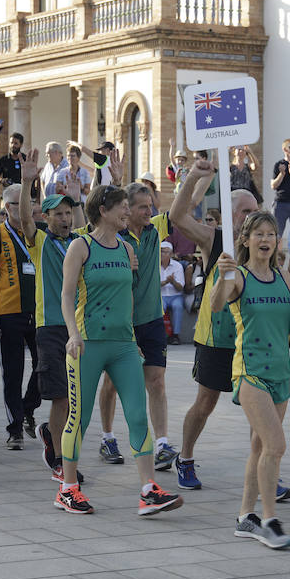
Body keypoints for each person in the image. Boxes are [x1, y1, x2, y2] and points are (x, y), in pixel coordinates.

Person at [58, 183, 183, 515]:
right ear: (103, 210)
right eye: (123, 206)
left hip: (124, 345)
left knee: (138, 415)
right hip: (87, 345)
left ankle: (148, 490)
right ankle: (68, 489)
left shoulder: (128, 250)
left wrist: (132, 340)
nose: (128, 211)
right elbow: (67, 296)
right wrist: (73, 335)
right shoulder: (80, 248)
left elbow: (127, 298)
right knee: (79, 419)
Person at [210, 211, 290, 549]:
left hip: (280, 374)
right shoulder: (238, 277)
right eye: (258, 234)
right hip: (250, 373)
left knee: (260, 446)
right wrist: (221, 277)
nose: (265, 240)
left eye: (271, 234)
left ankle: (246, 516)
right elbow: (215, 306)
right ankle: (270, 520)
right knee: (276, 445)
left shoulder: (284, 277)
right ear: (245, 240)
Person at [170, 162, 276, 492]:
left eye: (256, 210)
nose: (252, 216)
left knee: (259, 407)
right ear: (229, 214)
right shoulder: (215, 239)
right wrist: (193, 177)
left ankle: (264, 469)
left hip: (252, 340)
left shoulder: (265, 245)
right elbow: (177, 217)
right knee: (206, 403)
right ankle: (185, 457)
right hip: (216, 338)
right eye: (245, 211)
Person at [17, 148, 86, 484]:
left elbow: (90, 231)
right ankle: (59, 457)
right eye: (58, 214)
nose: (65, 219)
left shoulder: (79, 242)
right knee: (61, 396)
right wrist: (27, 180)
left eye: (68, 214)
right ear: (47, 218)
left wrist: (79, 199)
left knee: (74, 399)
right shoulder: (41, 241)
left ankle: (57, 442)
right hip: (51, 328)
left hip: (79, 327)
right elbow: (25, 220)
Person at [97, 182, 177, 470]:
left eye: (151, 205)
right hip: (122, 322)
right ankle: (107, 437)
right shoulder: (115, 238)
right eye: (143, 206)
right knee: (112, 384)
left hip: (153, 319)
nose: (150, 211)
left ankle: (162, 444)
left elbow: (180, 209)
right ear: (127, 209)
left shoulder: (155, 229)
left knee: (156, 381)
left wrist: (194, 175)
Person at [0, 184, 42, 450]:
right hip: (9, 312)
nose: (28, 207)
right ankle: (15, 428)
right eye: (21, 203)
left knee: (47, 365)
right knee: (13, 373)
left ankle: (28, 407)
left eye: (30, 201)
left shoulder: (38, 233)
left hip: (39, 312)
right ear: (8, 208)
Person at [160, 241, 185, 345]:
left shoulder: (177, 266)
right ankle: (161, 334)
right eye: (162, 252)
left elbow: (180, 287)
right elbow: (153, 285)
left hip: (175, 296)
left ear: (171, 254)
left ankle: (175, 335)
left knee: (178, 306)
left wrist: (173, 282)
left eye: (167, 252)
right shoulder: (154, 264)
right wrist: (166, 281)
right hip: (161, 295)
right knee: (161, 307)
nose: (165, 254)